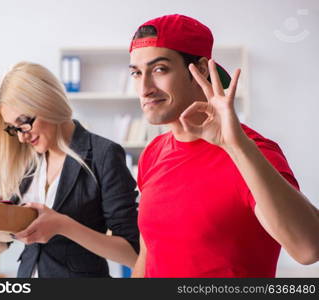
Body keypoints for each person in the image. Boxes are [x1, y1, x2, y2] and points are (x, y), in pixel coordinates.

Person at [128, 14, 319, 278]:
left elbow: (308, 249)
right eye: (137, 73)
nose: (145, 88)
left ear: (202, 70)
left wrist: (237, 146)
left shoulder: (252, 151)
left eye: (160, 69)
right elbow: (148, 256)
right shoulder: (153, 152)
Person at [0, 62, 139, 278]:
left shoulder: (103, 154)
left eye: (24, 122)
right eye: (13, 128)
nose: (22, 137)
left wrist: (63, 225)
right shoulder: (26, 162)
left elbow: (133, 255)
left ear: (47, 102)